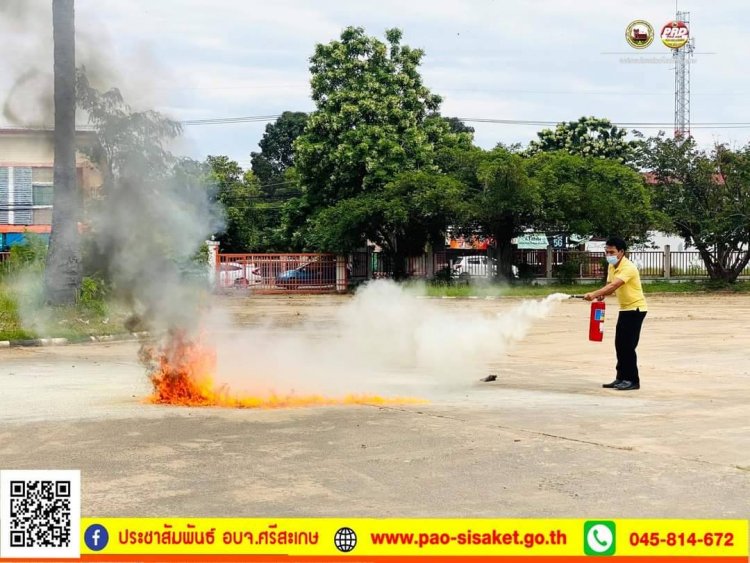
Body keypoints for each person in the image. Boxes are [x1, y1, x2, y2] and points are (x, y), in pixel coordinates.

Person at [584, 236, 647, 391]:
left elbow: (615, 285)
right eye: (606, 252)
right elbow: (609, 286)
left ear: (621, 252)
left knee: (628, 346)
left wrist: (593, 294)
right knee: (620, 345)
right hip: (625, 309)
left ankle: (632, 380)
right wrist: (601, 294)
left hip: (635, 309)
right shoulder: (612, 267)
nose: (608, 255)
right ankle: (621, 378)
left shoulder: (628, 267)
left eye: (611, 252)